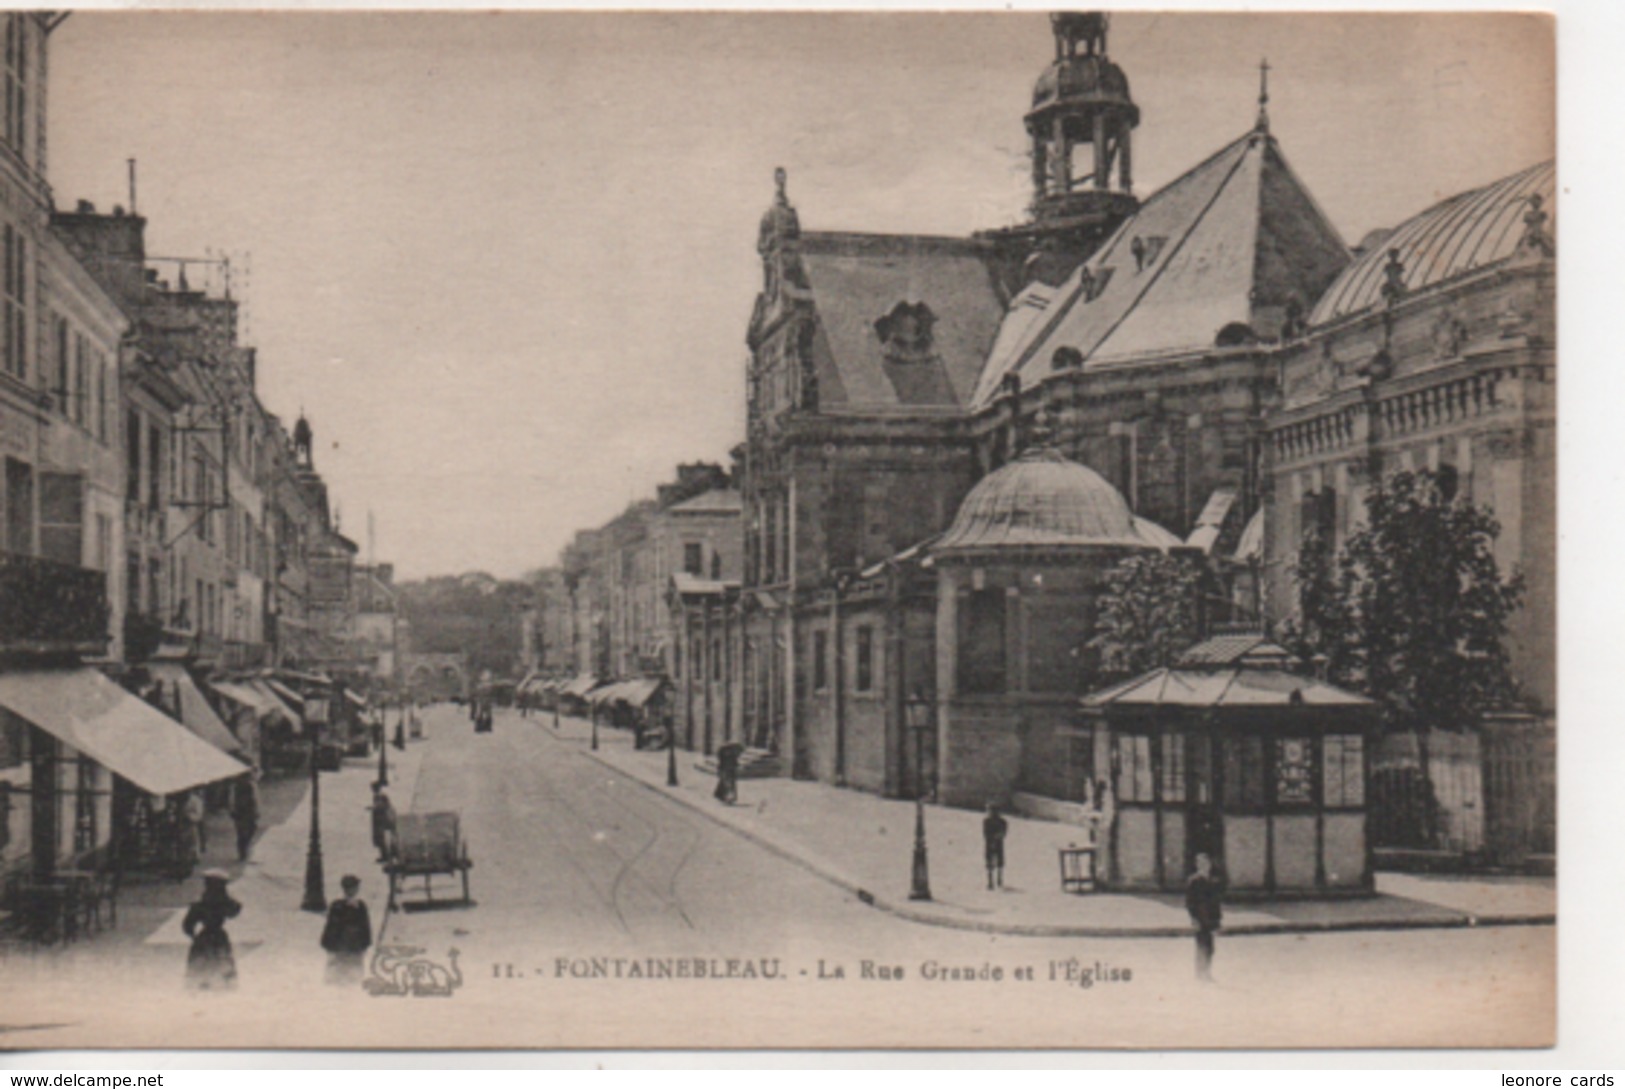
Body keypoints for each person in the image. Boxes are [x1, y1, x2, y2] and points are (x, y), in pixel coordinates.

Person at [182, 869, 241, 991]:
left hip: (204, 938)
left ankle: (199, 986)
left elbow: (187, 925)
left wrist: (193, 935)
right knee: (224, 960)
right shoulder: (224, 903)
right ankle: (228, 985)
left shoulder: (200, 905)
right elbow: (235, 910)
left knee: (199, 962)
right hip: (219, 936)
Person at [320, 874, 374, 986]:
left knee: (353, 978)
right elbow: (331, 927)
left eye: (355, 887)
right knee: (338, 978)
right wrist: (329, 944)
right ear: (345, 889)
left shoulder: (360, 906)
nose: (353, 890)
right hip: (341, 948)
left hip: (354, 948)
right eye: (350, 887)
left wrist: (365, 943)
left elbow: (365, 927)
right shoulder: (337, 906)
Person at [1185, 852, 1225, 983]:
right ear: (1197, 865)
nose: (1204, 866)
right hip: (1200, 918)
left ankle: (1207, 972)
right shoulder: (1194, 881)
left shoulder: (1213, 881)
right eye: (1201, 863)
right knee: (1201, 946)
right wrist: (1194, 919)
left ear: (1210, 865)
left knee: (1210, 947)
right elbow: (1190, 903)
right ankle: (1200, 973)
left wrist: (1218, 921)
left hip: (1211, 918)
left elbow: (1216, 902)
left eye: (1206, 863)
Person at [232, 773, 260, 862]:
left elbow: (255, 799)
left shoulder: (251, 785)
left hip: (249, 810)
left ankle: (244, 849)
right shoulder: (237, 786)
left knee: (251, 828)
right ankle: (242, 852)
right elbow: (232, 798)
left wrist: (256, 809)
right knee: (242, 831)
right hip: (240, 810)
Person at [982, 801, 1008, 890]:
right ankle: (990, 882)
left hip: (998, 843)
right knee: (989, 862)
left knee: (999, 862)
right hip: (990, 842)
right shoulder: (987, 821)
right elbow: (985, 833)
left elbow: (1004, 833)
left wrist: (997, 837)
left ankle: (998, 880)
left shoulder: (1002, 822)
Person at [370, 783, 397, 863]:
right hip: (381, 818)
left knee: (381, 838)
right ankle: (387, 854)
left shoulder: (380, 796)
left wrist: (374, 808)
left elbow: (383, 806)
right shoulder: (379, 795)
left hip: (382, 819)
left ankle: (386, 855)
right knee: (382, 838)